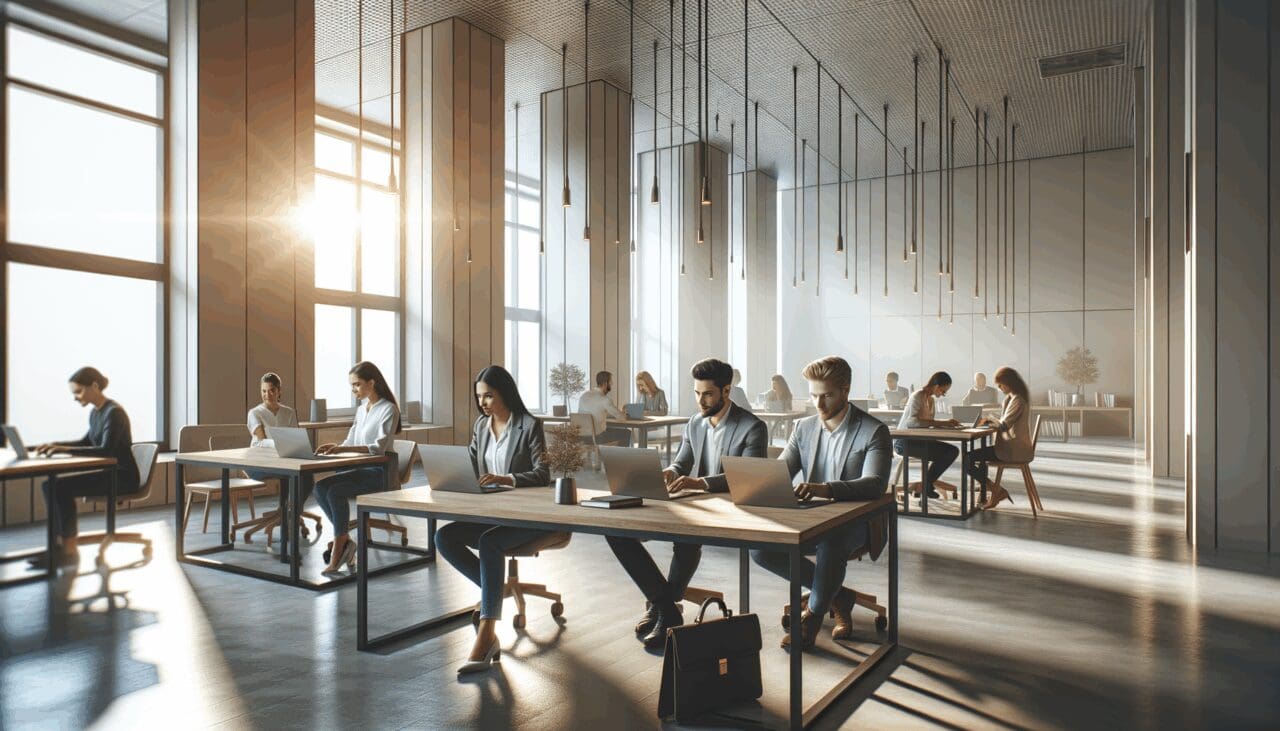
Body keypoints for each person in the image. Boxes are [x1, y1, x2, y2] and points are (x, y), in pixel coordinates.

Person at [606, 358, 768, 649]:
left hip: (731, 507)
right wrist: (671, 471)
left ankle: (662, 609)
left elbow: (746, 476)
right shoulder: (695, 422)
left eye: (707, 394)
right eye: (697, 393)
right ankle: (664, 605)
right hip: (694, 502)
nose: (700, 401)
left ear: (726, 391)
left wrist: (701, 483)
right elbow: (684, 460)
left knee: (685, 537)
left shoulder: (751, 427)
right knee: (616, 530)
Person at [751, 357, 892, 650]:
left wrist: (825, 489)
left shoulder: (873, 431)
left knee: (832, 542)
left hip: (858, 522)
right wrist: (756, 483)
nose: (819, 404)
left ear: (845, 390)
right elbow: (781, 474)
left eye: (826, 395)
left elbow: (875, 484)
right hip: (811, 518)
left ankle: (812, 620)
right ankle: (838, 596)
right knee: (760, 549)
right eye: (813, 395)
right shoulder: (803, 428)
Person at [435, 365, 552, 674]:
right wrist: (457, 477)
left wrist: (507, 478)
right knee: (443, 537)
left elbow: (543, 473)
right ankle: (493, 593)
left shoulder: (529, 425)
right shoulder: (480, 426)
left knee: (490, 543)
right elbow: (471, 465)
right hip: (491, 510)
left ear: (505, 393)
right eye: (479, 397)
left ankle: (487, 636)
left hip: (528, 515)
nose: (483, 403)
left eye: (488, 396)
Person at [32, 367, 141, 569]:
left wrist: (63, 449)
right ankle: (59, 547)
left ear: (95, 386)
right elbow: (85, 442)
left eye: (78, 392)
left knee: (60, 487)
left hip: (122, 477)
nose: (75, 398)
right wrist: (55, 445)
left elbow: (106, 450)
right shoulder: (96, 413)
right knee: (50, 486)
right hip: (108, 474)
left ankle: (69, 551)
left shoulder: (114, 412)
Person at [312, 361, 400, 575]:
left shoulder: (389, 409)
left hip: (380, 472)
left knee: (335, 491)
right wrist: (337, 448)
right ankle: (344, 538)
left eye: (357, 385)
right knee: (319, 487)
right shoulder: (362, 410)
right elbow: (351, 438)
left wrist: (347, 449)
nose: (354, 390)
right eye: (352, 386)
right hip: (360, 469)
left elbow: (378, 448)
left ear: (372, 382)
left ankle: (340, 544)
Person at [966, 366, 1034, 510]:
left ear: (1009, 383)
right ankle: (991, 492)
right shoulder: (1012, 398)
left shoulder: (1017, 400)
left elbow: (1003, 426)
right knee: (978, 458)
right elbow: (1005, 421)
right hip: (1012, 446)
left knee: (967, 459)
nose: (999, 387)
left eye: (1001, 384)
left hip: (1014, 450)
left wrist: (989, 420)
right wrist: (990, 420)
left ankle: (995, 490)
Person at [894, 371, 961, 499]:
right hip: (904, 442)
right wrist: (942, 423)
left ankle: (926, 484)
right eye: (943, 391)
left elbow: (928, 424)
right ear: (936, 386)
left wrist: (945, 425)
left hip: (920, 440)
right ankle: (927, 485)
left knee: (952, 451)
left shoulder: (930, 400)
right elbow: (912, 423)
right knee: (947, 453)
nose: (942, 395)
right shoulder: (917, 396)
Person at [577, 371, 632, 446]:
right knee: (626, 432)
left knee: (607, 428)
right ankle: (620, 456)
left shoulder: (584, 396)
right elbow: (621, 417)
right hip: (598, 437)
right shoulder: (605, 399)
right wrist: (625, 415)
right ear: (606, 383)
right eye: (611, 381)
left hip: (581, 436)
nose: (612, 384)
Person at [247, 372, 299, 448]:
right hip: (259, 455)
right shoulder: (254, 413)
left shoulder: (289, 413)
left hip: (283, 455)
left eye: (271, 390)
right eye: (264, 391)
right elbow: (262, 440)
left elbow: (296, 438)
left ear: (279, 391)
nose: (267, 395)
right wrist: (283, 443)